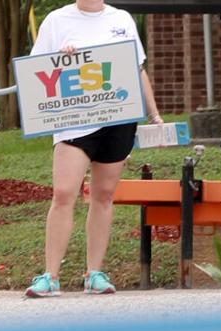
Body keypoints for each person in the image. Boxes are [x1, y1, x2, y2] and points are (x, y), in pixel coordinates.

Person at [25, 0, 163, 298]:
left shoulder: (122, 19)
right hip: (75, 121)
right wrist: (61, 59)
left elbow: (137, 69)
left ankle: (94, 273)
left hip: (118, 119)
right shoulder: (56, 20)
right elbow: (37, 70)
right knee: (64, 193)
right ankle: (50, 276)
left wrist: (154, 114)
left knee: (103, 195)